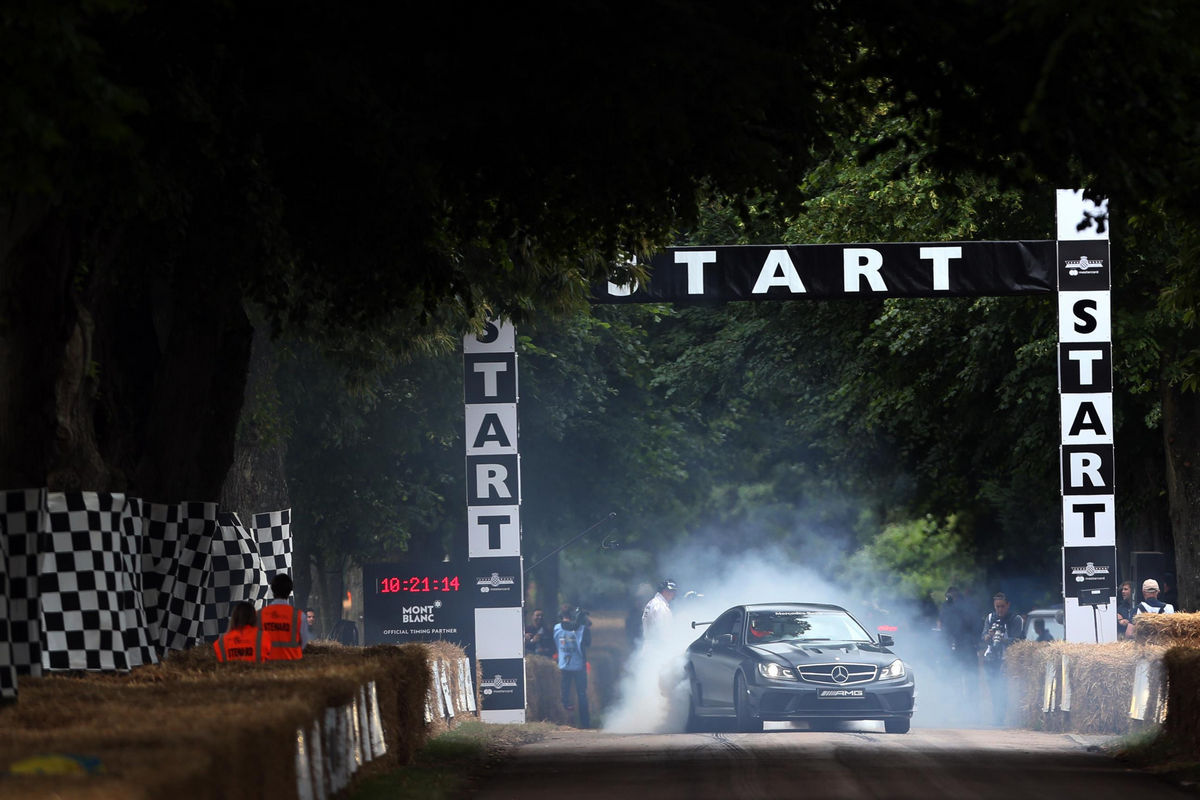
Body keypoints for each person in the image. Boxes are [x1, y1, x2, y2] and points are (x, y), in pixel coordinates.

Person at [979, 592, 1023, 726]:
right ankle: (997, 716)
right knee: (993, 688)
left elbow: (1018, 640)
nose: (1000, 610)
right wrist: (988, 636)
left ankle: (1002, 716)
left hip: (1007, 659)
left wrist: (1003, 639)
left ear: (1008, 605)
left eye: (1002, 606)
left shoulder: (1016, 619)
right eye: (997, 607)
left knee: (1003, 688)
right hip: (991, 658)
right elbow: (983, 635)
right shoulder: (990, 617)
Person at [554, 607, 590, 728]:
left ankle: (565, 722)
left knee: (564, 695)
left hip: (564, 665)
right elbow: (588, 643)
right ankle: (585, 723)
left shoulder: (556, 628)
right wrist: (583, 624)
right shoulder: (582, 629)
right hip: (579, 666)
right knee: (582, 695)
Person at [259, 573, 308, 660]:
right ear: (289, 591)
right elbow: (303, 644)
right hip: (293, 663)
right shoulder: (299, 616)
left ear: (272, 590)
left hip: (266, 663)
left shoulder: (259, 615)